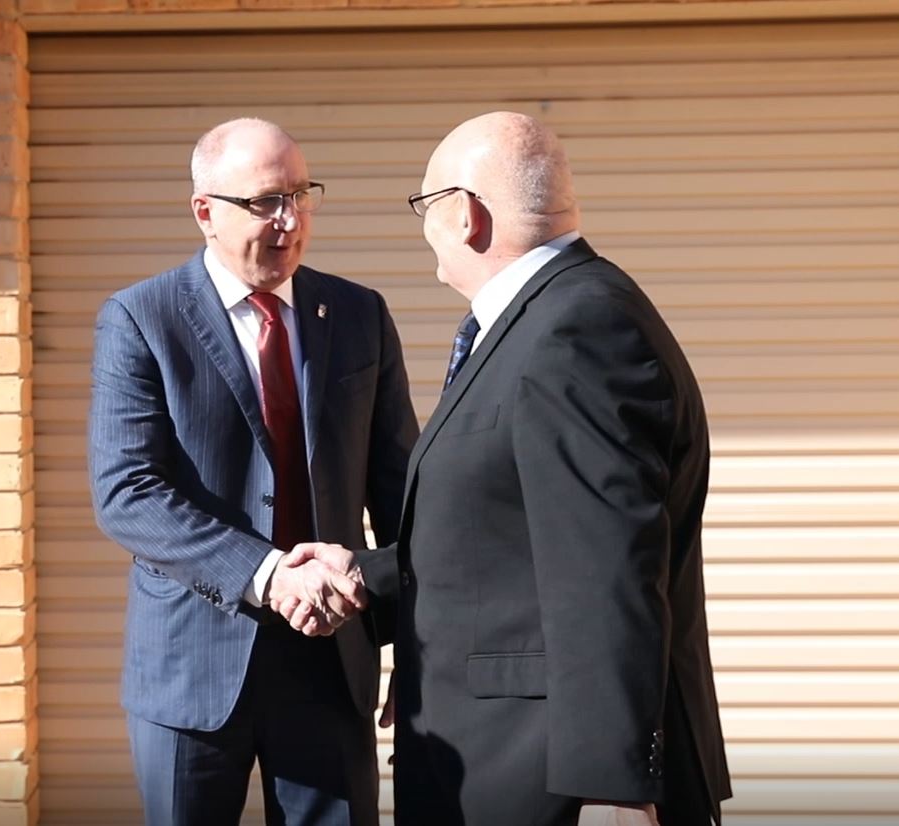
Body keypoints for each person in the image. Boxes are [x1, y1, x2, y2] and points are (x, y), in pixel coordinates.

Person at [285, 111, 732, 825]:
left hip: (547, 783)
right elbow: (509, 537)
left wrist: (613, 791)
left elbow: (608, 568)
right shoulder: (542, 319)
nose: (424, 226)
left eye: (425, 206)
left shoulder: (578, 328)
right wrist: (368, 574)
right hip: (497, 765)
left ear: (463, 215)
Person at [87, 117, 419, 825]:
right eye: (266, 201)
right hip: (193, 667)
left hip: (333, 661)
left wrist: (415, 642)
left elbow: (402, 494)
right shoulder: (142, 319)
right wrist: (270, 575)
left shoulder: (359, 314)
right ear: (205, 212)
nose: (289, 220)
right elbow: (128, 494)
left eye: (301, 195)